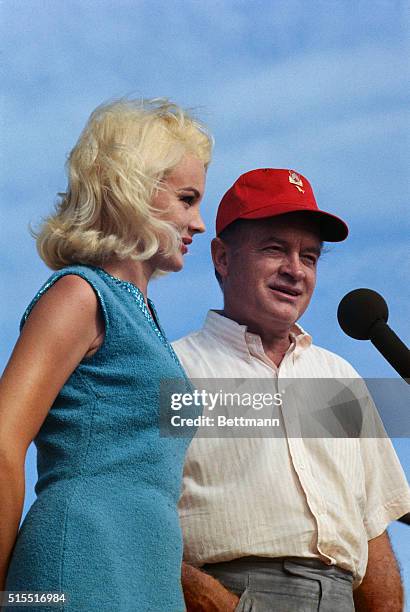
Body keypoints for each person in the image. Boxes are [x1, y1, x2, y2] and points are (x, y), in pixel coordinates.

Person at [0, 98, 212, 611]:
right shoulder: (79, 294)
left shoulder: (144, 318)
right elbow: (4, 442)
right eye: (187, 199)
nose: (200, 223)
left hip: (145, 575)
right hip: (77, 565)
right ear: (133, 191)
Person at [174, 169, 410, 611]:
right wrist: (215, 601)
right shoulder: (175, 370)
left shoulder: (339, 378)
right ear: (222, 258)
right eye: (275, 249)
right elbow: (133, 511)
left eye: (310, 256)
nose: (295, 270)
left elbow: (373, 529)